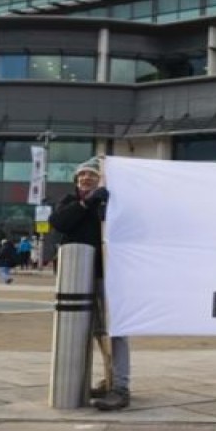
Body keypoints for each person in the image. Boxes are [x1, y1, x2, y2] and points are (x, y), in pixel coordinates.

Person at [51, 157, 130, 411]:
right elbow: (60, 223)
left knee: (114, 330)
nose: (86, 179)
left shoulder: (110, 203)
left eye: (92, 175)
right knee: (93, 330)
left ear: (101, 180)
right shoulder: (71, 202)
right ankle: (107, 378)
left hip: (106, 273)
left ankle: (120, 386)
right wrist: (86, 203)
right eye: (82, 175)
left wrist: (102, 204)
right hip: (76, 276)